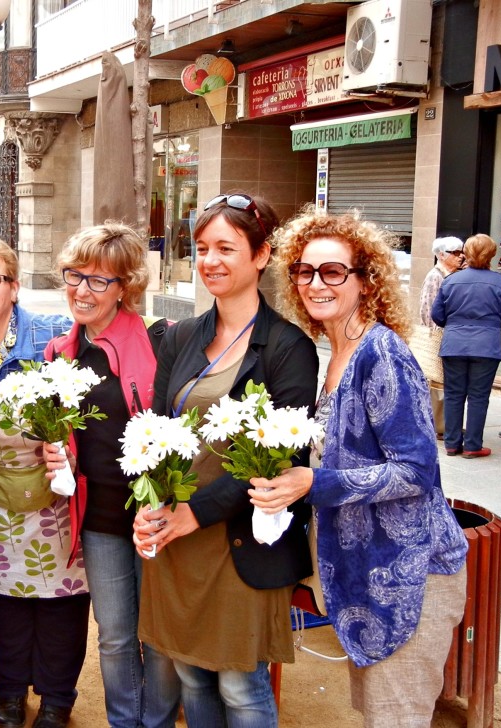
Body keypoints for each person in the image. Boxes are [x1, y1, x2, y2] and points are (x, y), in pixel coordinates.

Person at [253, 210, 468, 727]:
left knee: (396, 717)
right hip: (368, 575)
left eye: (333, 272)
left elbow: (415, 472)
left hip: (411, 573)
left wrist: (315, 483)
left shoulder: (382, 354)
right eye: (304, 271)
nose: (315, 283)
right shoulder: (336, 352)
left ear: (365, 280)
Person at [133, 194, 317, 728]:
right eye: (202, 248)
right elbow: (158, 431)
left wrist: (195, 513)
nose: (210, 260)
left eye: (226, 248)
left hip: (239, 537)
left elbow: (281, 456)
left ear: (261, 256)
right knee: (191, 673)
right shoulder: (181, 335)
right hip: (178, 535)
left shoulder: (288, 347)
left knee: (240, 682)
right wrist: (153, 501)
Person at [43, 223, 181, 728]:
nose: (82, 289)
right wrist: (56, 454)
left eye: (99, 281)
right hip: (98, 513)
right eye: (74, 275)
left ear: (125, 287)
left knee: (160, 634)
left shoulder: (161, 340)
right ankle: (126, 722)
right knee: (116, 634)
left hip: (154, 511)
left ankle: (158, 721)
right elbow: (63, 436)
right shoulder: (59, 353)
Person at [0, 236, 88, 728]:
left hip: (55, 494)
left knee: (62, 604)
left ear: (14, 285)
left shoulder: (56, 334)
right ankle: (9, 690)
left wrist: (68, 450)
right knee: (1, 600)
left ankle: (57, 697)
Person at [431, 233, 501, 458]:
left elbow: (437, 315)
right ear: (491, 255)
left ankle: (451, 443)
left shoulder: (451, 280)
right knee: (479, 396)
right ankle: (472, 445)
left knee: (453, 393)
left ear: (466, 254)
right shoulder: (500, 282)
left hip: (454, 344)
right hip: (485, 346)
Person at [416, 236, 464, 438]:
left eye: (462, 252)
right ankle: (438, 425)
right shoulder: (436, 276)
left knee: (445, 382)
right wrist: (435, 333)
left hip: (449, 336)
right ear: (441, 255)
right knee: (437, 382)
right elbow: (428, 308)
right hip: (439, 336)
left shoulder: (453, 274)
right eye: (455, 253)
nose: (461, 256)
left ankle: (445, 424)